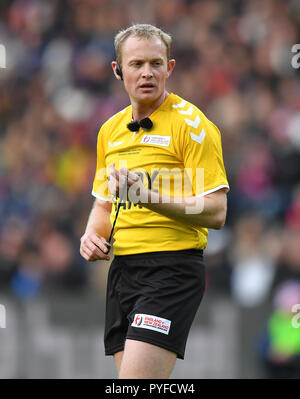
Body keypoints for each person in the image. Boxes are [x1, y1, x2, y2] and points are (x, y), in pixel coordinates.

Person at [80, 23, 229, 379]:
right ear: (118, 71)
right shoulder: (109, 131)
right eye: (136, 64)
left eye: (155, 63)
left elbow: (216, 211)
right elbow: (104, 202)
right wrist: (91, 235)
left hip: (171, 270)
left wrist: (149, 197)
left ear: (170, 68)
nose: (147, 72)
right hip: (122, 273)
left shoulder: (192, 127)